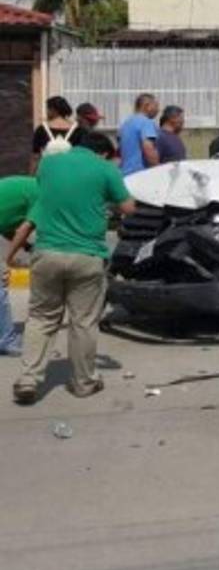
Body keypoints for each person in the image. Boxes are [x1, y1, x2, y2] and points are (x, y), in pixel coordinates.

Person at [11, 131, 134, 405]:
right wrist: (107, 202)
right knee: (83, 322)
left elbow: (48, 193)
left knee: (41, 318)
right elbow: (128, 207)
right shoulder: (104, 169)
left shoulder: (49, 164)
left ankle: (28, 379)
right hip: (87, 255)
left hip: (47, 252)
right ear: (103, 153)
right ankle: (84, 382)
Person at [0, 176, 38, 356]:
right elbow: (23, 229)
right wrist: (8, 259)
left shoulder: (27, 185)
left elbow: (6, 226)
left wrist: (28, 247)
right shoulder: (42, 194)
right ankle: (7, 341)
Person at [31, 96, 82, 172]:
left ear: (53, 110)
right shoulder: (78, 130)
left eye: (47, 109)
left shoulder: (41, 129)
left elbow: (36, 157)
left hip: (48, 171)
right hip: (71, 171)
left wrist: (32, 174)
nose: (47, 113)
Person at [118, 93, 161, 176]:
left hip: (126, 174)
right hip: (141, 174)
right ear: (146, 106)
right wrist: (159, 169)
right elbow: (148, 148)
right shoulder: (146, 122)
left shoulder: (126, 124)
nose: (158, 110)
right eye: (155, 106)